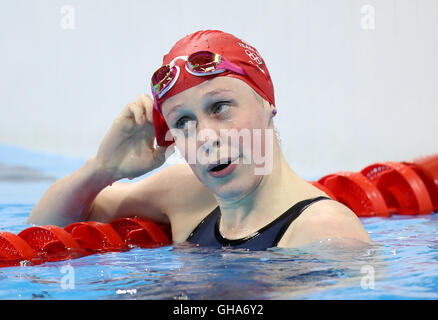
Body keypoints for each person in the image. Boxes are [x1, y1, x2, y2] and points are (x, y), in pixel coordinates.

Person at [27, 30, 372, 250]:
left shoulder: (325, 235)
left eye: (220, 107)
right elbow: (41, 232)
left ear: (268, 102)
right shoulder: (184, 192)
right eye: (184, 122)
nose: (205, 136)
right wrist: (102, 170)